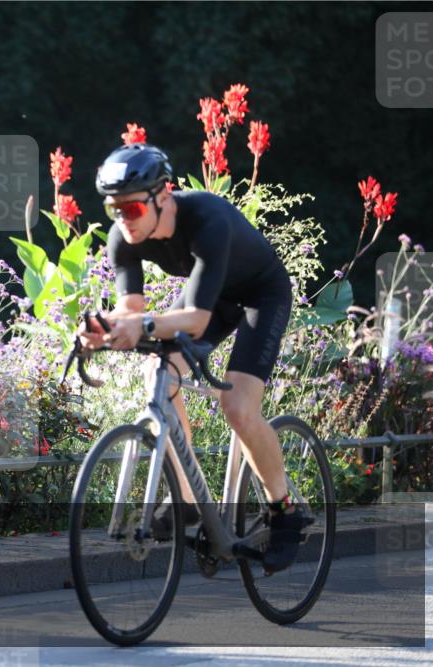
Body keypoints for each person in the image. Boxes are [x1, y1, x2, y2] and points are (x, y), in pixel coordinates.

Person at [76, 142, 305, 574]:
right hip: (212, 298)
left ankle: (284, 509)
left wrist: (139, 326)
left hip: (260, 295)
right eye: (115, 210)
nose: (124, 221)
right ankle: (187, 499)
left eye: (133, 210)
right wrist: (104, 329)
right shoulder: (123, 239)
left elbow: (196, 320)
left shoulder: (207, 218)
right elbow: (131, 309)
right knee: (156, 372)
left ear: (164, 195)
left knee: (237, 407)